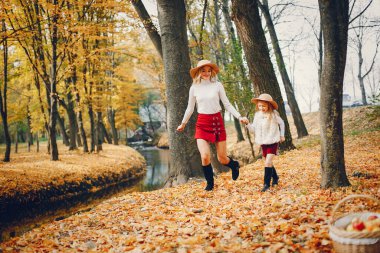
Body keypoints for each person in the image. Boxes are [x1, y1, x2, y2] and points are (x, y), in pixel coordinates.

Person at [176, 59, 249, 191]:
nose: (206, 73)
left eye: (209, 70)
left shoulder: (217, 85)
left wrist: (239, 116)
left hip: (217, 122)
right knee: (205, 156)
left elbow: (227, 104)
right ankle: (210, 184)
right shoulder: (194, 88)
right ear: (198, 72)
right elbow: (190, 108)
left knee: (222, 158)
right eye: (203, 70)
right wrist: (183, 123)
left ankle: (234, 165)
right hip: (202, 123)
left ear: (212, 71)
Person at [246, 93, 285, 192]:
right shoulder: (257, 115)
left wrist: (282, 135)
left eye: (263, 106)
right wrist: (247, 124)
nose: (261, 108)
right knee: (268, 162)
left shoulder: (273, 114)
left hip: (272, 140)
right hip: (263, 142)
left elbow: (282, 123)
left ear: (269, 105)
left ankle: (266, 185)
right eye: (259, 105)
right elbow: (253, 129)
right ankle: (275, 177)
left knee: (267, 162)